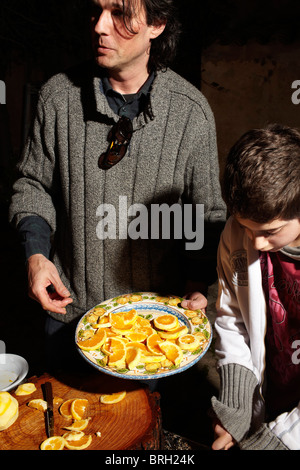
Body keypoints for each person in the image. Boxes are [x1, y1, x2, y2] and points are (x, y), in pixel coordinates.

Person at [9, 0, 225, 369]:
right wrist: (36, 254)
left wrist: (198, 282)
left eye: (120, 14)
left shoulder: (191, 110)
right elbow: (32, 185)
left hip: (156, 328)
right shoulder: (57, 97)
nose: (100, 26)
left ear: (157, 24)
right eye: (96, 11)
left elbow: (205, 212)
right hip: (68, 316)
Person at [211, 123, 300, 450]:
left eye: (270, 232)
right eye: (247, 228)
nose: (256, 242)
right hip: (274, 390)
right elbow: (231, 318)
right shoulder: (237, 233)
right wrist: (237, 407)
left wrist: (282, 441)